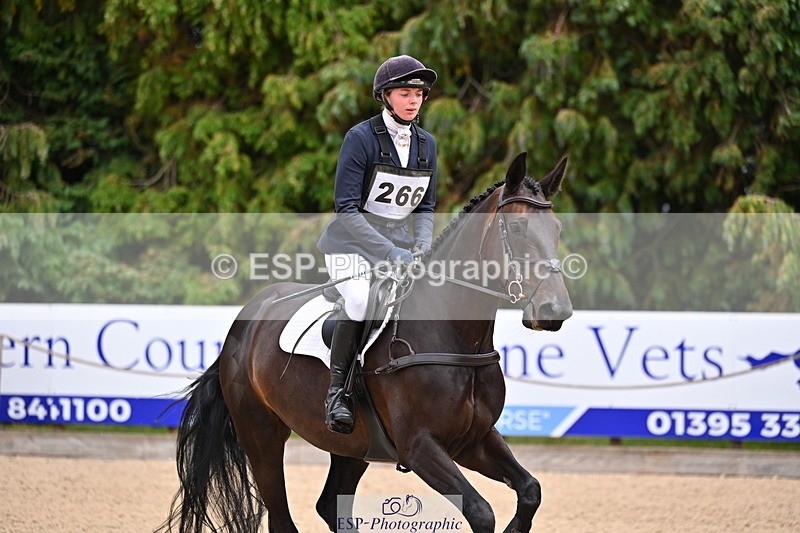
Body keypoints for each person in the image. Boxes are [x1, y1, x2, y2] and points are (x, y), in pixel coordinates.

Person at [317, 55, 438, 434]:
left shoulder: (426, 143)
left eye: (419, 93)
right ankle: (337, 392)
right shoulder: (360, 138)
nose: (414, 100)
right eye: (405, 93)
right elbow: (347, 209)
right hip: (350, 245)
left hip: (401, 247)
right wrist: (389, 251)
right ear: (385, 96)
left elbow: (426, 205)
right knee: (357, 299)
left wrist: (422, 243)